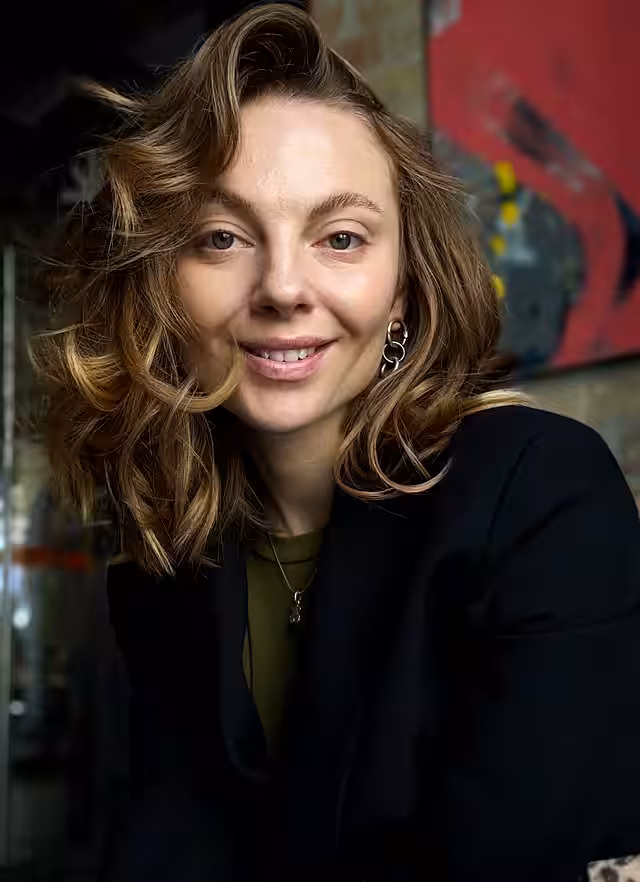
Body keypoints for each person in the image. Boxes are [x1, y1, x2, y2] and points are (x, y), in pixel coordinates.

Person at [33, 4, 640, 881]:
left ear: (403, 295)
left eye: (342, 237)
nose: (283, 287)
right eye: (221, 237)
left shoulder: (542, 495)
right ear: (162, 288)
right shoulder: (162, 561)